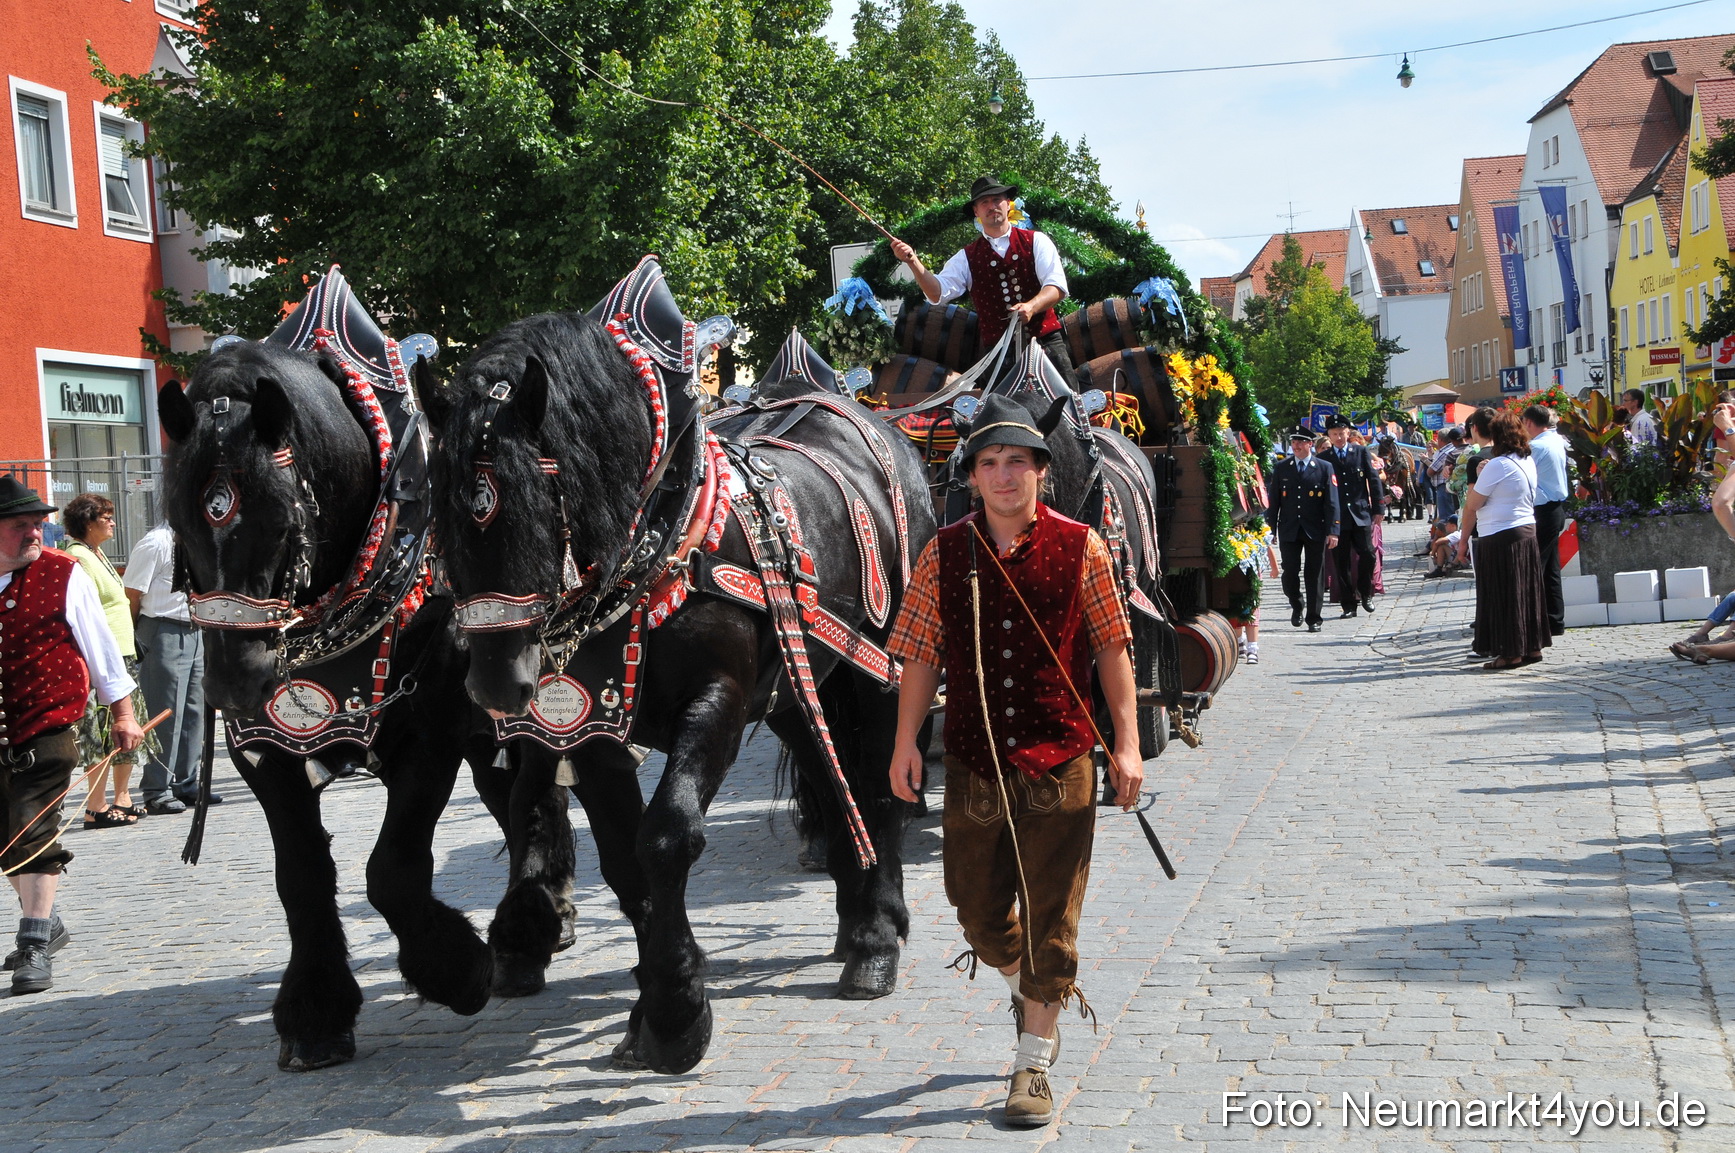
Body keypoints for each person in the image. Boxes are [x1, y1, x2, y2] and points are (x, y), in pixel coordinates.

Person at [885, 394, 1142, 1128]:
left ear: (1040, 471)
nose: (1003, 476)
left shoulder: (1080, 545)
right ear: (972, 477)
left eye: (1016, 463)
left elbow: (1111, 646)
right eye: (989, 464)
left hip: (1060, 756)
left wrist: (1124, 742)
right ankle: (1023, 982)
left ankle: (1032, 1059)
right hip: (972, 757)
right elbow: (920, 653)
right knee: (975, 909)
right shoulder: (945, 549)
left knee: (1052, 917)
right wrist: (905, 741)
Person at [0, 477, 143, 995]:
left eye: (38, 523)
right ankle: (47, 921)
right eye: (21, 526)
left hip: (46, 723)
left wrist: (123, 713)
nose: (35, 533)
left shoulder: (63, 573)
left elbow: (102, 649)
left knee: (32, 826)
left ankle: (34, 938)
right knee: (4, 836)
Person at [889, 177, 1077, 382]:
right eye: (984, 203)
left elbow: (1056, 286)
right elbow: (937, 294)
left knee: (1068, 406)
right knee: (1003, 413)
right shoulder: (965, 257)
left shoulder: (1036, 241)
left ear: (1008, 204)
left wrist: (1031, 307)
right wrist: (913, 262)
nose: (992, 206)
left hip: (1046, 344)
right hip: (1000, 357)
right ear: (976, 212)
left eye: (997, 200)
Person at [57, 494, 152, 828]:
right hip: (100, 657)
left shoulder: (97, 553)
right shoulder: (77, 557)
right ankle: (95, 806)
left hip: (122, 652)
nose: (112, 522)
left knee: (130, 727)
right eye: (105, 517)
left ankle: (122, 797)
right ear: (87, 522)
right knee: (99, 731)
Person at [124, 522, 218, 813]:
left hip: (194, 628)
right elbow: (132, 594)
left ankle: (186, 783)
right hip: (162, 627)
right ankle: (156, 789)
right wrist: (137, 635)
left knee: (193, 712)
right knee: (164, 712)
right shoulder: (155, 542)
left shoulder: (199, 538)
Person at [1454, 409, 1550, 670]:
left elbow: (1472, 505)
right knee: (1525, 592)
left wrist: (1462, 542)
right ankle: (1531, 646)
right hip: (1525, 531)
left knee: (1504, 596)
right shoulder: (1525, 460)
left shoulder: (1498, 465)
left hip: (1500, 534)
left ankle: (1510, 653)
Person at [1267, 429, 1341, 633]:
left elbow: (1332, 501)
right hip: (1290, 528)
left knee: (1315, 574)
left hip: (1315, 529)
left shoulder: (1324, 468)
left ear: (1310, 444)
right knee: (1290, 572)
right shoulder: (1282, 468)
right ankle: (1297, 603)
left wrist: (1333, 530)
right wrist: (1270, 529)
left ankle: (1314, 617)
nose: (1296, 446)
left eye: (1301, 442)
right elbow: (1274, 502)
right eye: (1294, 442)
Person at [1320, 415, 1384, 618]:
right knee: (1341, 562)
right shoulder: (1324, 458)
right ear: (1329, 436)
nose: (1339, 437)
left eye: (1342, 433)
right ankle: (1348, 604)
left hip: (1360, 513)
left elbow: (1373, 480)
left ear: (1348, 433)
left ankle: (1365, 593)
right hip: (1337, 518)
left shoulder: (1360, 452)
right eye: (1334, 434)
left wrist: (1378, 509)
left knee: (1368, 554)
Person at [1522, 405, 1570, 637]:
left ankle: (1533, 623)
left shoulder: (1536, 446)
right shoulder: (1556, 440)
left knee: (1535, 567)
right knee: (1550, 568)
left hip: (1542, 509)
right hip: (1555, 507)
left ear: (1529, 423)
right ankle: (1554, 620)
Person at [1429, 427, 1466, 520]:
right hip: (1466, 487)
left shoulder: (1450, 453)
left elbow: (1430, 471)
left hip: (1447, 487)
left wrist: (1425, 460)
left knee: (1446, 518)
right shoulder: (1471, 450)